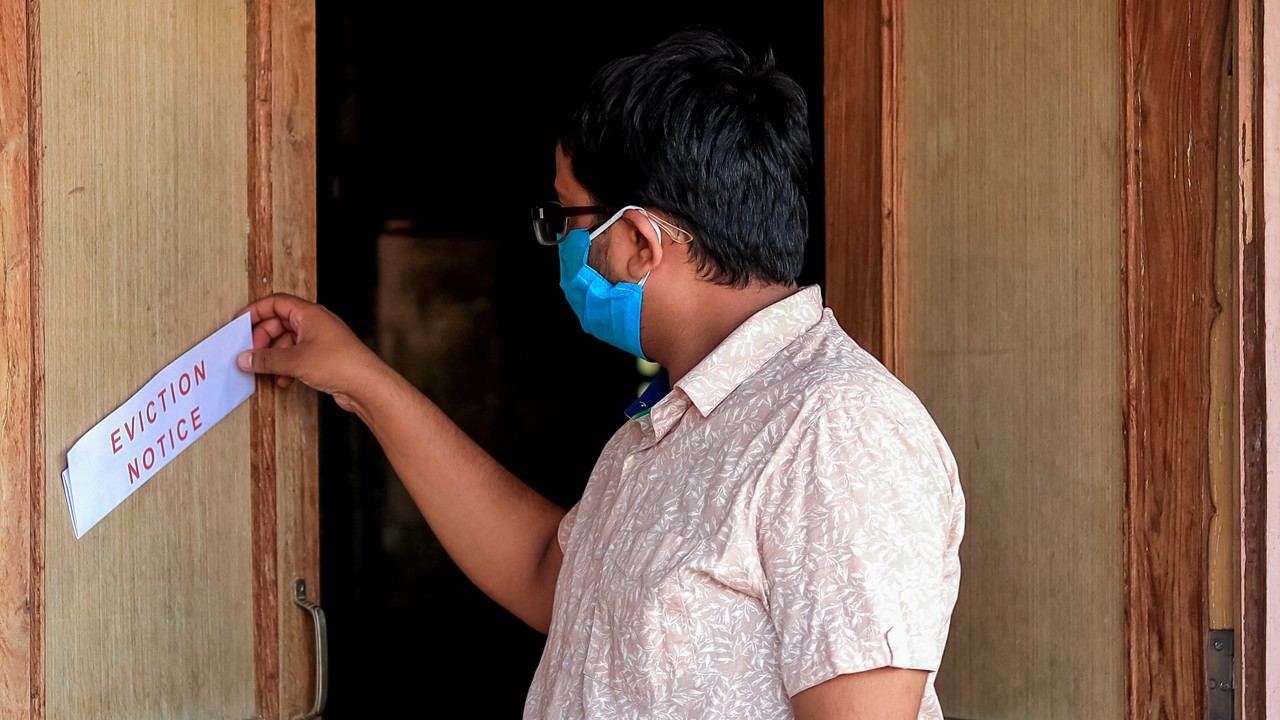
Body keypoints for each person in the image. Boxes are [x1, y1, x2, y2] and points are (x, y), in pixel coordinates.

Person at [237, 29, 964, 720]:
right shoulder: (672, 424)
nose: (559, 242)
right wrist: (360, 377)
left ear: (640, 242)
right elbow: (546, 574)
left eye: (566, 217)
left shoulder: (834, 432)